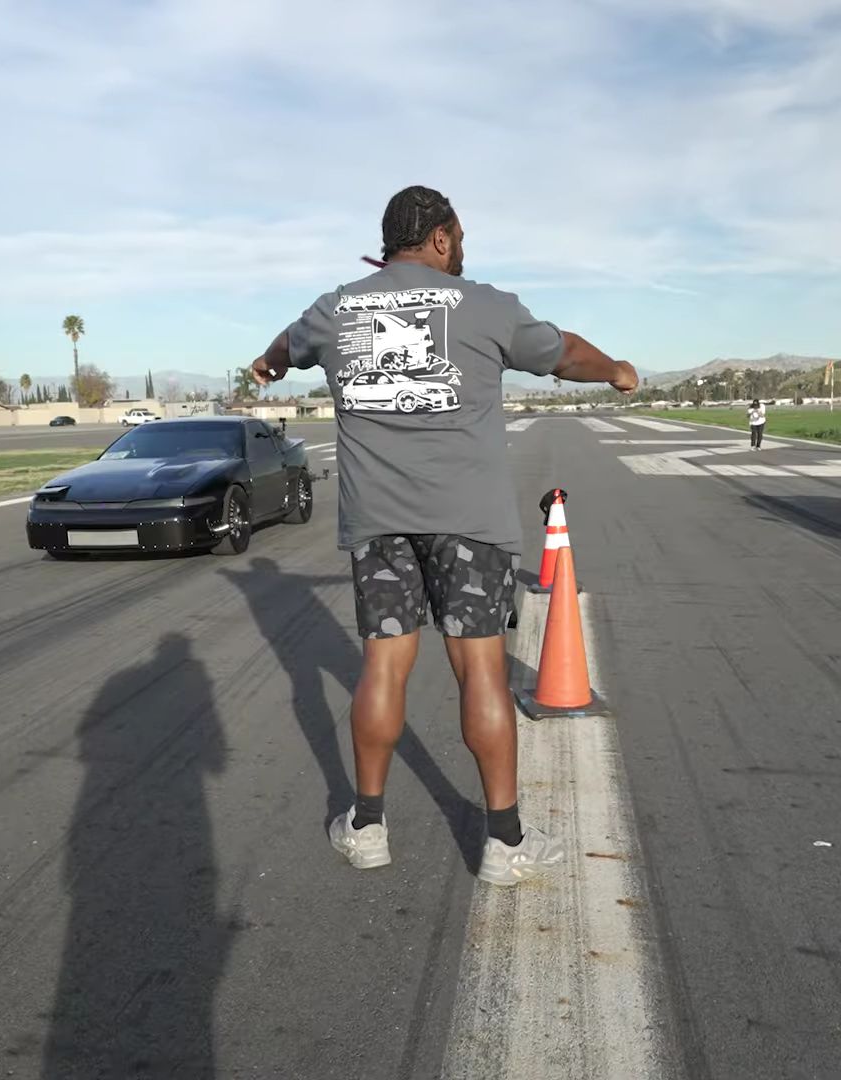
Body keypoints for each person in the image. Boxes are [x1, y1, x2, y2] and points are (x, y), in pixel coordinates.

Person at [248, 185, 639, 887]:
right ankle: (505, 841)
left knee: (383, 666)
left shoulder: (337, 307)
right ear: (439, 237)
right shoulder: (483, 305)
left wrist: (270, 364)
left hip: (380, 523)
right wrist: (616, 370)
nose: (463, 251)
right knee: (480, 671)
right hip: (468, 522)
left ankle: (366, 825)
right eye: (459, 238)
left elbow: (286, 344)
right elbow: (565, 351)